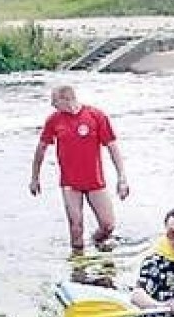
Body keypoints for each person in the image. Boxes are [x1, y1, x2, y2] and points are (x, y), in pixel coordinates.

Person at [30, 85, 129, 255]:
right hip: (70, 183)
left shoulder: (95, 115)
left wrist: (122, 178)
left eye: (55, 101)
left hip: (95, 181)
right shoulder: (54, 120)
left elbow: (112, 147)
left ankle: (97, 243)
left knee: (108, 225)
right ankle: (77, 267)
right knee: (75, 228)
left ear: (66, 99)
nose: (52, 105)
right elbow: (41, 148)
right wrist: (35, 177)